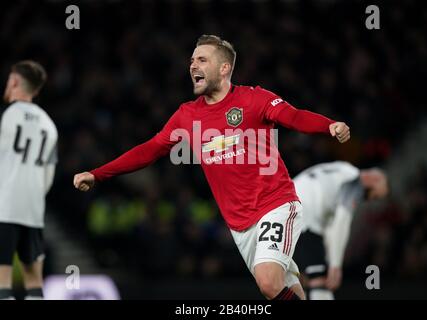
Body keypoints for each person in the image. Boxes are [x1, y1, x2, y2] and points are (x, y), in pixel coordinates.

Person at [73, 35, 350, 300]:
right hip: (239, 224)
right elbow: (149, 149)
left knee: (268, 283)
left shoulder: (255, 99)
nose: (193, 65)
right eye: (192, 60)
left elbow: (294, 116)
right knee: (281, 289)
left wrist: (329, 125)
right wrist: (97, 174)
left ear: (224, 67)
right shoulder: (187, 115)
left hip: (275, 204)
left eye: (202, 60)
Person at [0, 61, 58, 300]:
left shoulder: (6, 116)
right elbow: (48, 175)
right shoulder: (49, 124)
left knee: (2, 283)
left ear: (14, 81)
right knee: (34, 281)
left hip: (5, 207)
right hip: (33, 210)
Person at [292, 161, 388, 300]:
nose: (370, 199)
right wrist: (335, 266)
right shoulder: (354, 181)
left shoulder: (342, 169)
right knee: (320, 281)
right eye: (374, 195)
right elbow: (342, 220)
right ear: (374, 179)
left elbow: (331, 227)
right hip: (303, 216)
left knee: (299, 281)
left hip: (287, 206)